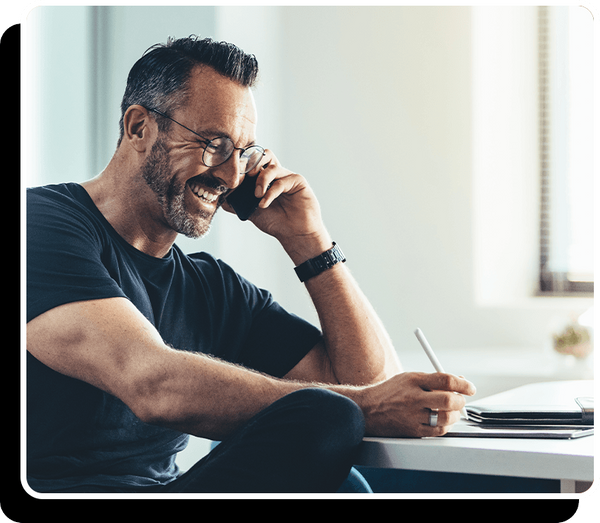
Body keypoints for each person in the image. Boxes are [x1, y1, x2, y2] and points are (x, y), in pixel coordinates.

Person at [26, 36, 475, 494]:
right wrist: (362, 407)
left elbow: (372, 386)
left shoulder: (212, 289)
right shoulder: (39, 225)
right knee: (330, 414)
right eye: (214, 144)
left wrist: (310, 244)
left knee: (343, 465)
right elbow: (150, 381)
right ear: (140, 127)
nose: (231, 175)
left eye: (242, 153)